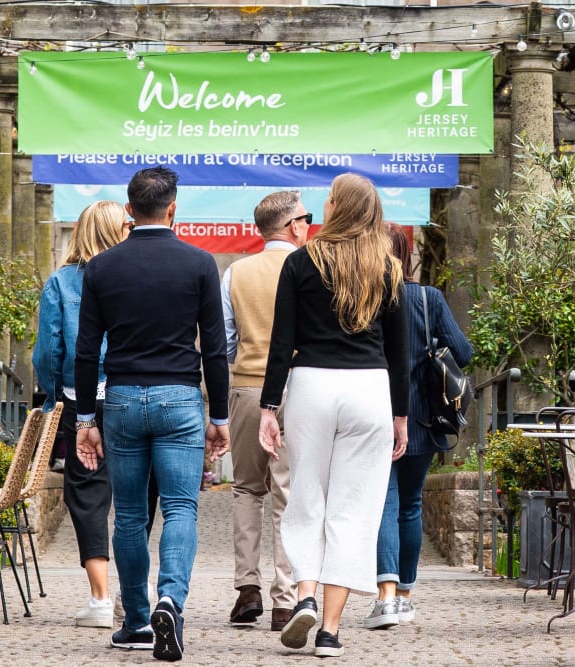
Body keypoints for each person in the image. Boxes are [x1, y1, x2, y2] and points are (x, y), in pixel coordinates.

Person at [72, 166, 234, 662]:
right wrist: (221, 417)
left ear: (128, 210)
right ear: (172, 208)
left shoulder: (101, 268)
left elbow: (84, 350)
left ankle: (138, 621)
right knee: (182, 508)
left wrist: (85, 421)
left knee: (131, 515)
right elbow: (214, 350)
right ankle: (172, 600)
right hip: (180, 398)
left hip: (121, 399)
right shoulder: (200, 264)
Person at [257, 173, 409, 658]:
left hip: (312, 386)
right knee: (353, 511)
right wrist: (400, 418)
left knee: (306, 497)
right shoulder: (387, 268)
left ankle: (303, 594)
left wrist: (268, 407)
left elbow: (282, 342)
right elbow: (399, 352)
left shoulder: (302, 262)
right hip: (369, 389)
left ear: (338, 206)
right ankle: (330, 630)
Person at [364, 229, 472, 630]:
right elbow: (463, 352)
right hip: (423, 419)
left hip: (375, 414)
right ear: (407, 255)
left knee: (383, 504)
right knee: (409, 505)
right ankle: (405, 596)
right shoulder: (428, 298)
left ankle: (386, 596)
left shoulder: (364, 298)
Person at [33, 200, 132, 630]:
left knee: (88, 496)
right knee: (133, 498)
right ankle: (134, 593)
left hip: (83, 402)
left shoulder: (61, 282)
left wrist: (57, 398)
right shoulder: (135, 278)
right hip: (133, 397)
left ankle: (101, 598)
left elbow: (49, 352)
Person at [221, 190, 310, 631]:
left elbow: (224, 341)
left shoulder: (236, 273)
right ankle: (285, 597)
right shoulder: (310, 268)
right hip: (298, 389)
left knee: (246, 489)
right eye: (305, 217)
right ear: (293, 226)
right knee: (287, 494)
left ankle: (246, 589)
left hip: (247, 389)